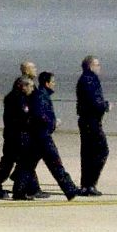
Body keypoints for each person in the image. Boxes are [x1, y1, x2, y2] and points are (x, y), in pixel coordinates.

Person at [16, 71, 79, 200]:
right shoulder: (41, 96)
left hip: (37, 136)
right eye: (53, 82)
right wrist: (53, 123)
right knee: (55, 164)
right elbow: (40, 116)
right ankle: (70, 190)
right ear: (47, 83)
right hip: (42, 137)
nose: (54, 84)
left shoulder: (40, 95)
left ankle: (19, 191)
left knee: (27, 165)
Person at [0, 76, 37, 198]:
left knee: (8, 162)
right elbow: (24, 118)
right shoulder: (18, 99)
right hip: (18, 137)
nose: (32, 89)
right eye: (30, 86)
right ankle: (18, 191)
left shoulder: (14, 97)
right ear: (22, 86)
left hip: (12, 136)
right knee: (21, 163)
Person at [75, 55, 111, 195]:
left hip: (86, 120)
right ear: (90, 66)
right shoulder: (90, 80)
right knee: (101, 150)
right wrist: (106, 105)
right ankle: (90, 184)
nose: (99, 67)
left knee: (88, 153)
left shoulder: (85, 79)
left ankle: (86, 184)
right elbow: (94, 102)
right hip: (91, 121)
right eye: (97, 65)